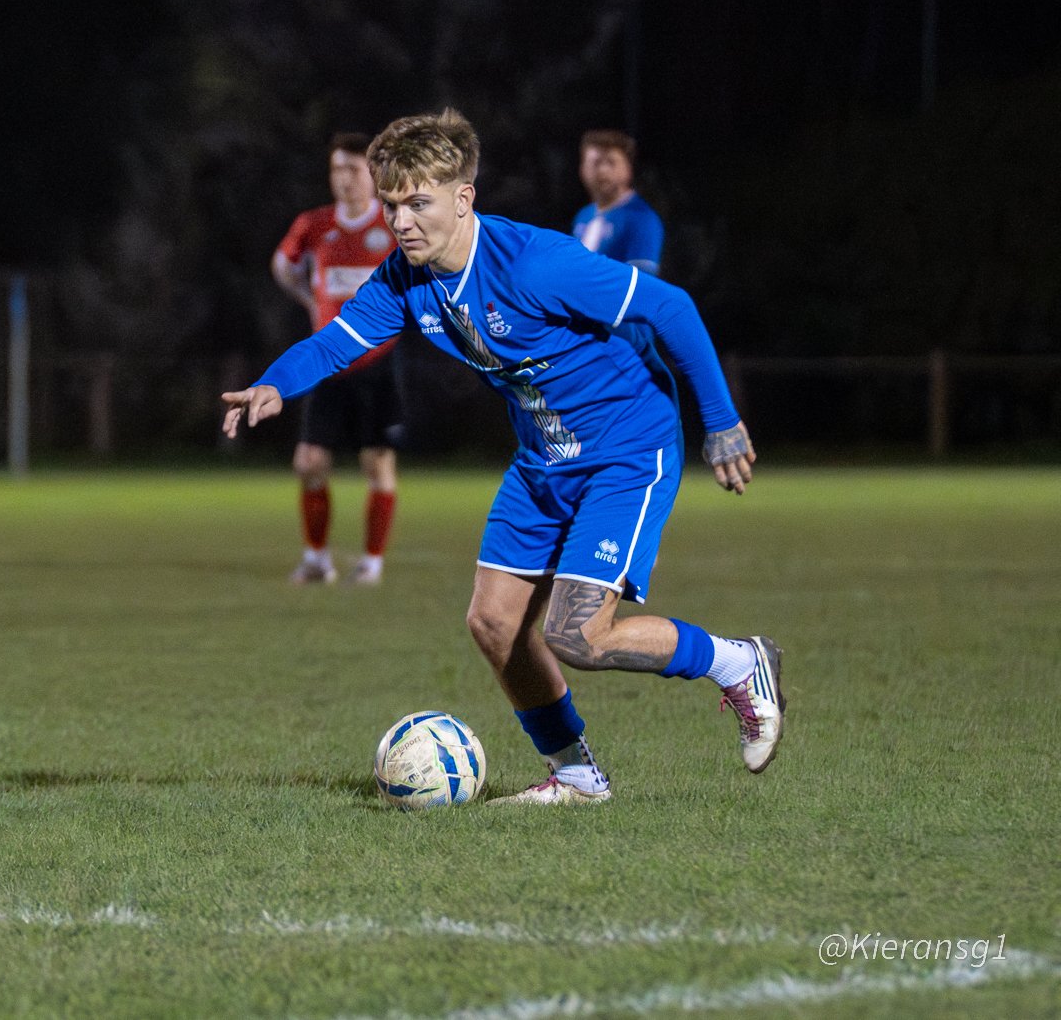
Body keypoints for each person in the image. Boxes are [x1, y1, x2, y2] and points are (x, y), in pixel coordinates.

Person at [223, 109, 782, 807]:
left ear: (464, 198)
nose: (400, 222)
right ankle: (577, 776)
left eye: (417, 203)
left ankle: (739, 661)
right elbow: (338, 340)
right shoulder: (406, 279)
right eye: (392, 204)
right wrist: (275, 383)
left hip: (626, 450)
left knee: (578, 632)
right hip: (542, 459)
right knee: (492, 624)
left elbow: (669, 307)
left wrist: (722, 422)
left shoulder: (537, 263)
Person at [269, 132, 406, 586]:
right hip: (327, 361)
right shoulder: (314, 224)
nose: (344, 178)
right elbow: (283, 264)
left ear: (373, 174)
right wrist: (309, 299)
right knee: (309, 462)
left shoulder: (392, 226)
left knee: (377, 463)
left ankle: (371, 563)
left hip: (378, 362)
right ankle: (316, 559)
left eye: (353, 168)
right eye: (337, 169)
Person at [572, 129, 663, 273]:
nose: (603, 170)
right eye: (595, 162)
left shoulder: (641, 219)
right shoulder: (583, 216)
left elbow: (641, 281)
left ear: (628, 169)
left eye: (611, 162)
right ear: (582, 169)